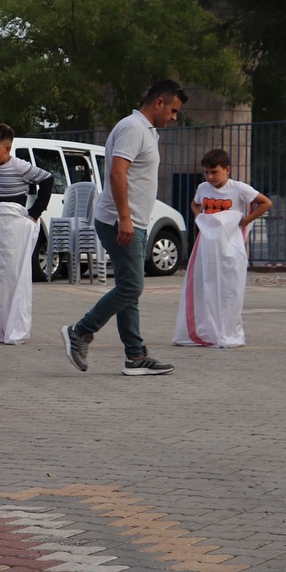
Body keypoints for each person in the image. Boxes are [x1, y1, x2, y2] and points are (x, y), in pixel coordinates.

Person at [61, 80, 188, 375]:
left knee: (128, 288)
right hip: (120, 221)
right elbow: (118, 174)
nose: (174, 117)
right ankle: (80, 332)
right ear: (159, 102)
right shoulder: (133, 128)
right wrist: (126, 218)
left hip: (131, 221)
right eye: (173, 110)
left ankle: (135, 356)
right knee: (132, 286)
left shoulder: (146, 131)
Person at [174, 149, 271, 348]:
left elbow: (265, 203)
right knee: (203, 287)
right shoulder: (203, 188)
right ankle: (205, 331)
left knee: (229, 289)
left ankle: (228, 332)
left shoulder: (238, 188)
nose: (210, 177)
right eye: (206, 172)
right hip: (206, 246)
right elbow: (195, 204)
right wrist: (199, 217)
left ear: (227, 170)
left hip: (229, 247)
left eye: (214, 172)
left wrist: (244, 221)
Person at [0, 123, 52, 345]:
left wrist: (35, 212)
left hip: (11, 231)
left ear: (7, 149)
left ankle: (14, 327)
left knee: (12, 278)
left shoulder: (21, 167)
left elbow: (47, 179)